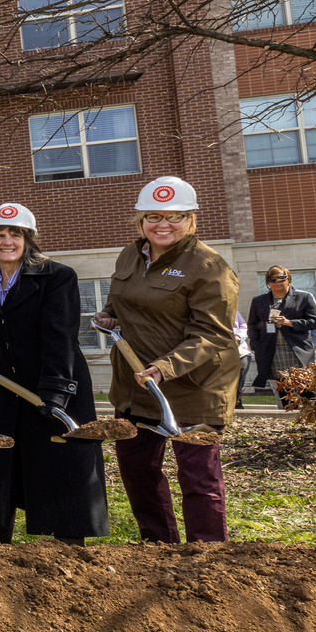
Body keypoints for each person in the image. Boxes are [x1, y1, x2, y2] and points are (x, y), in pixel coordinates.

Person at [96, 175, 239, 544]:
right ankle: (159, 547)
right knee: (138, 472)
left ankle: (207, 556)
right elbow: (124, 299)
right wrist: (109, 314)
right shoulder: (131, 254)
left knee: (198, 478)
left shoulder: (209, 266)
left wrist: (165, 367)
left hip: (195, 388)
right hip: (138, 387)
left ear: (191, 219)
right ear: (140, 221)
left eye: (174, 216)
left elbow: (213, 333)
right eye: (153, 216)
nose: (163, 225)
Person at [0, 203, 108, 544]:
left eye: (16, 234)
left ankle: (70, 537)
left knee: (60, 458)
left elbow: (60, 336)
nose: (7, 241)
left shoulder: (57, 277)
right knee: (3, 453)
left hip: (57, 380)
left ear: (29, 240)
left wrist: (56, 391)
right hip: (10, 382)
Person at [248, 265, 316, 402]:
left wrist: (290, 322)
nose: (277, 282)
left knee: (307, 389)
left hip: (297, 350)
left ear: (288, 279)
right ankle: (289, 419)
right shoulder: (259, 301)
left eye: (282, 278)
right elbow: (252, 325)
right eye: (273, 279)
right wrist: (256, 344)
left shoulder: (303, 297)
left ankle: (314, 417)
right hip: (272, 351)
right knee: (284, 392)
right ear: (268, 282)